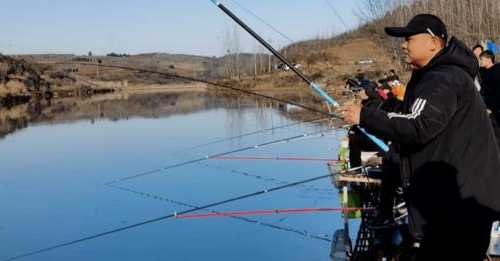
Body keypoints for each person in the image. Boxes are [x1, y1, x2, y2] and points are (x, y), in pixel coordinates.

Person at [340, 14, 500, 260]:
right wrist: (370, 113)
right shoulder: (439, 76)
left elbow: (418, 125)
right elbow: (411, 117)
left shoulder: (443, 78)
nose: (403, 44)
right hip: (455, 207)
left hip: (459, 211)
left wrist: (365, 117)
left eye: (409, 38)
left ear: (433, 43)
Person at [479, 50, 500, 148]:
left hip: (494, 110)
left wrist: (491, 108)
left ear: (488, 59)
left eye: (482, 59)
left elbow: (498, 92)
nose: (481, 62)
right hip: (486, 106)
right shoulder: (483, 71)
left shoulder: (497, 72)